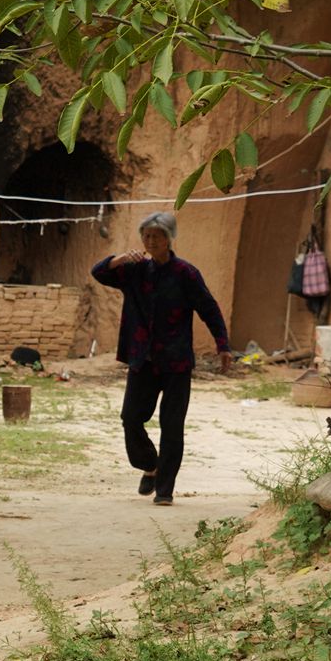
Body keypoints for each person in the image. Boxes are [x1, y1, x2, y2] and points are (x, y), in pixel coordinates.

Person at [92, 212, 230, 505]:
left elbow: (208, 307)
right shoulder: (134, 270)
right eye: (146, 236)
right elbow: (99, 273)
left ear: (169, 239)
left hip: (176, 360)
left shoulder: (186, 274)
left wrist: (223, 344)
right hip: (143, 359)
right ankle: (150, 465)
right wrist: (118, 260)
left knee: (172, 425)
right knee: (131, 418)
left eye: (157, 235)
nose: (150, 241)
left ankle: (164, 490)